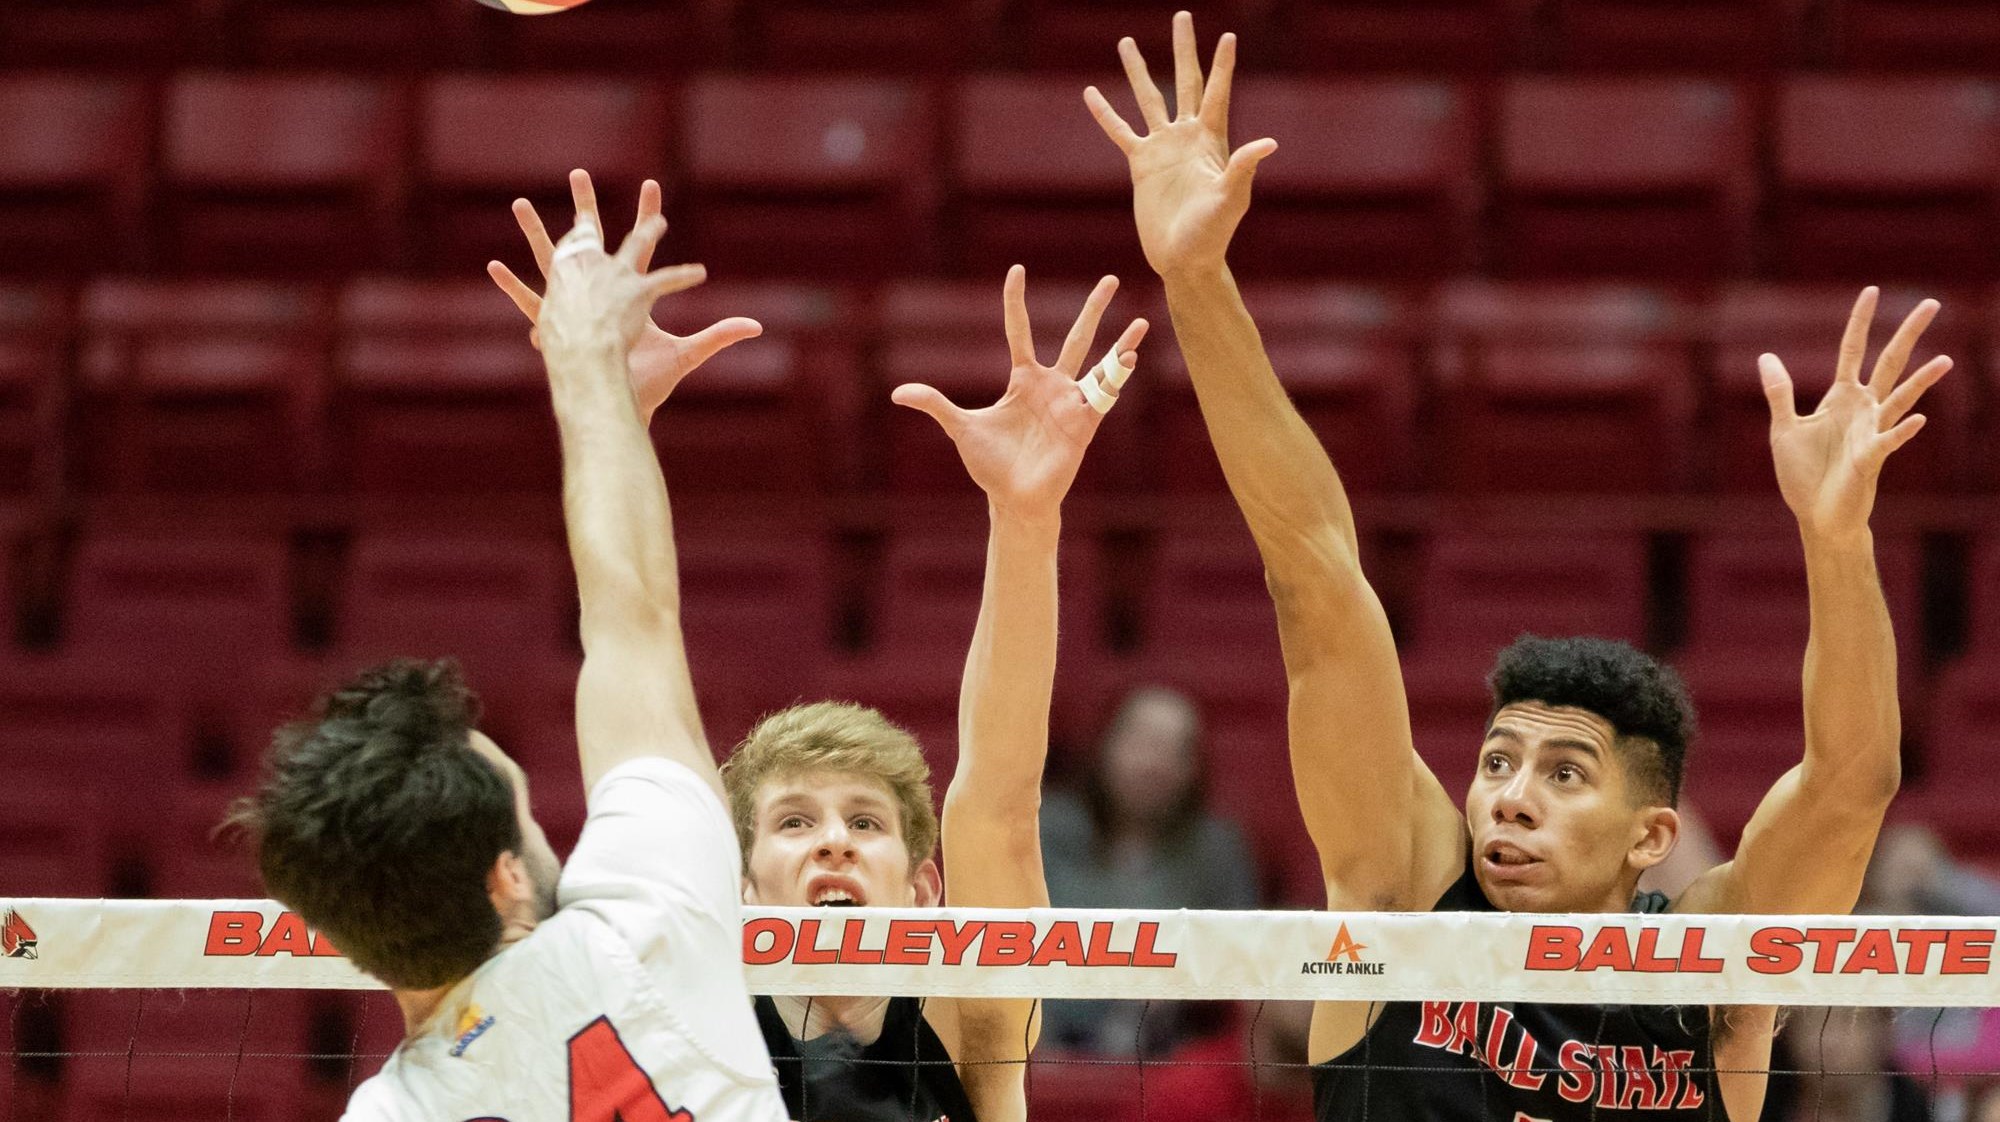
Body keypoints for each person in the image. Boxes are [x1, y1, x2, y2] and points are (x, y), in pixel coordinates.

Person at [1084, 13, 1954, 1120]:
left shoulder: (1707, 970)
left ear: (1651, 836)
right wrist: (1197, 281)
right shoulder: (1401, 895)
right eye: (1498, 762)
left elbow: (1849, 784)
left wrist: (1837, 546)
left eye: (1563, 775)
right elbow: (1312, 572)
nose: (1509, 799)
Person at [494, 180, 1149, 1122]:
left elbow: (1000, 798)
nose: (834, 840)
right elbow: (629, 647)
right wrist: (601, 409)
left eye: (865, 824)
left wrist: (1026, 516)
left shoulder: (975, 1025)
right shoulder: (681, 1016)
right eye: (794, 823)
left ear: (926, 892)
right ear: (741, 884)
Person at [233, 180, 788, 1122]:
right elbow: (632, 618)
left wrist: (612, 407)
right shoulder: (647, 926)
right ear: (504, 879)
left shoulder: (387, 1116)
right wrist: (588, 376)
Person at [1039, 684, 1258, 1055]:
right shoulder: (1045, 830)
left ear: (1195, 769)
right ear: (1106, 746)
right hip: (1046, 1046)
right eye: (1142, 742)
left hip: (1174, 1055)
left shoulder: (1218, 849)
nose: (1155, 764)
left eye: (1176, 750)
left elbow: (1246, 959)